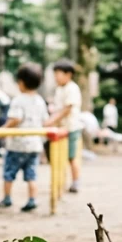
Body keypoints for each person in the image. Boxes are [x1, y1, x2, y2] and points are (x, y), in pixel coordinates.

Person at [0, 63, 48, 212]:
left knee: (8, 173)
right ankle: (32, 199)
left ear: (21, 82)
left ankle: (7, 198)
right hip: (34, 145)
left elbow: (16, 119)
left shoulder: (18, 100)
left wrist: (3, 129)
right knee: (31, 175)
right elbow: (45, 120)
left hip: (17, 145)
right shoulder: (40, 101)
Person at [45, 60, 83, 193]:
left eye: (58, 74)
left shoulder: (72, 88)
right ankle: (60, 181)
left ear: (68, 75)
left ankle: (76, 182)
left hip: (71, 127)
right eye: (55, 74)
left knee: (71, 157)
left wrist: (51, 121)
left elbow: (67, 109)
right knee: (59, 156)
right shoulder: (59, 89)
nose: (56, 77)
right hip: (60, 128)